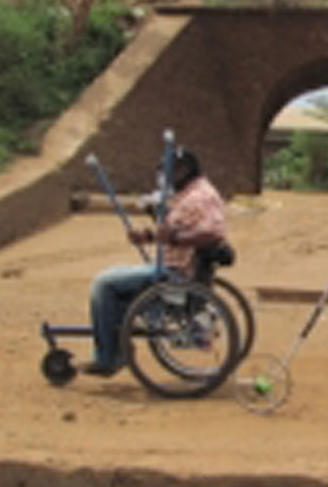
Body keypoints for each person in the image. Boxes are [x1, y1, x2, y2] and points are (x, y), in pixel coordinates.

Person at [82, 147, 227, 377]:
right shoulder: (189, 194)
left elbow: (213, 234)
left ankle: (109, 356)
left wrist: (175, 238)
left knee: (103, 284)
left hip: (175, 273)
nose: (167, 177)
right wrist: (147, 236)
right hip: (170, 268)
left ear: (186, 170)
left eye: (172, 171)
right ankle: (117, 337)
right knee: (115, 277)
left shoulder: (201, 196)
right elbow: (172, 230)